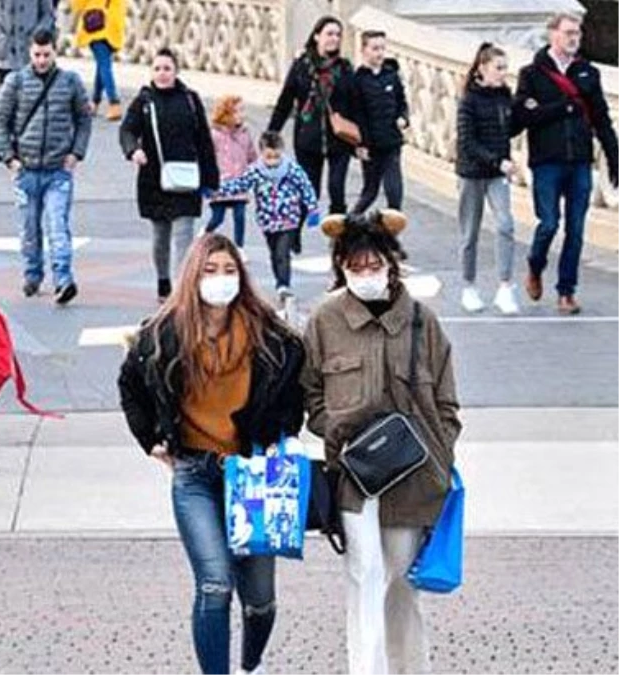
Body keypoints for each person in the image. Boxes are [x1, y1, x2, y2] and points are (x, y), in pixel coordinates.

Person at [118, 233, 304, 675]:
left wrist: (283, 436)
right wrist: (151, 440)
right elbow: (131, 386)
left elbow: (292, 393)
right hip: (195, 474)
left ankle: (250, 665)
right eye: (210, 271)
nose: (221, 280)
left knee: (259, 601)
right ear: (192, 277)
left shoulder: (272, 338)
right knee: (215, 583)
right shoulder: (162, 335)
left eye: (229, 270)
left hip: (253, 472)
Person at [301, 208, 460, 675]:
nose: (366, 274)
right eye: (355, 267)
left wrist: (441, 448)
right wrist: (332, 428)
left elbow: (447, 398)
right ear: (341, 268)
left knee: (402, 581)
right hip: (354, 474)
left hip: (414, 473)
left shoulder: (421, 321)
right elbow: (310, 390)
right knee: (363, 574)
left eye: (375, 265)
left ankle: (409, 668)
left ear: (392, 263)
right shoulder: (325, 320)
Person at [515, 12, 619, 315]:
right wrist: (563, 108)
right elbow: (523, 117)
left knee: (576, 229)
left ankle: (566, 292)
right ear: (553, 35)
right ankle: (535, 266)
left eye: (578, 33)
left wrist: (614, 158)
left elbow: (601, 118)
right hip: (547, 161)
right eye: (569, 33)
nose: (575, 38)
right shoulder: (531, 74)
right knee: (548, 224)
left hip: (579, 162)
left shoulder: (587, 72)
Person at [0, 28, 92, 305]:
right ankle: (32, 274)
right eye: (37, 55)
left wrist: (76, 152)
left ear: (54, 52)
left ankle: (63, 279)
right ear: (29, 52)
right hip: (25, 168)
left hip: (58, 168)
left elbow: (84, 119)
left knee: (57, 225)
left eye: (46, 54)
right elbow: (0, 120)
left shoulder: (70, 82)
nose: (41, 60)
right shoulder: (16, 82)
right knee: (29, 229)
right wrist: (9, 157)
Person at [119, 48, 220, 303]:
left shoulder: (190, 100)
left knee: (183, 234)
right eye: (157, 69)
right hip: (154, 178)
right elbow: (127, 130)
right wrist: (134, 151)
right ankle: (163, 280)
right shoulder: (144, 102)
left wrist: (211, 180)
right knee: (160, 237)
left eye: (167, 68)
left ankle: (182, 289)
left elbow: (204, 140)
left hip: (186, 178)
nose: (162, 74)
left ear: (176, 71)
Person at [214, 132, 319, 322]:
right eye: (268, 156)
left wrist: (312, 209)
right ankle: (280, 280)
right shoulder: (255, 171)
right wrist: (216, 190)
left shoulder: (291, 169)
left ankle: (284, 285)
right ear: (262, 153)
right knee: (273, 251)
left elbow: (306, 186)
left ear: (282, 152)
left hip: (288, 218)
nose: (273, 161)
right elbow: (240, 185)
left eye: (276, 156)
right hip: (268, 219)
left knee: (282, 252)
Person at [457, 43, 521, 315]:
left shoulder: (505, 95)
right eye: (499, 68)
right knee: (470, 232)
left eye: (505, 68)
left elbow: (512, 126)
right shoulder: (469, 99)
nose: (503, 73)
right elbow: (467, 141)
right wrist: (498, 161)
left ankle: (505, 286)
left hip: (498, 175)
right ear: (482, 68)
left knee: (505, 224)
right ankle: (468, 286)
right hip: (472, 173)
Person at [269, 16, 355, 218]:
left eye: (337, 35)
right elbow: (285, 101)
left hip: (339, 138)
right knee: (310, 192)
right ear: (317, 36)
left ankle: (339, 240)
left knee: (337, 191)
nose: (334, 39)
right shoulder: (302, 66)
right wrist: (272, 133)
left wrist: (362, 140)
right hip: (309, 138)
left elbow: (355, 104)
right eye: (329, 34)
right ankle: (293, 234)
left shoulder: (344, 68)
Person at [349, 31, 409, 215]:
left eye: (382, 48)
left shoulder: (391, 75)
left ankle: (390, 235)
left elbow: (402, 103)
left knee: (394, 193)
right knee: (370, 191)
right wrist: (360, 145)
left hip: (391, 142)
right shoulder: (358, 80)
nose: (380, 53)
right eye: (375, 49)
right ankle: (349, 224)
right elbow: (356, 115)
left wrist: (403, 119)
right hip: (371, 145)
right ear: (364, 50)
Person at [207, 95, 258, 247]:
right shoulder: (215, 135)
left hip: (240, 182)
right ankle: (205, 234)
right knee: (218, 217)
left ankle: (239, 247)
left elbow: (252, 155)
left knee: (240, 216)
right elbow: (207, 157)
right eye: (238, 111)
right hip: (221, 183)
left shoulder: (244, 133)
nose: (242, 114)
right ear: (227, 114)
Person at [70, 0, 126, 121]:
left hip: (98, 26)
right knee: (102, 65)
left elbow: (78, 5)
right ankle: (95, 103)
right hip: (113, 27)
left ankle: (114, 103)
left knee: (104, 66)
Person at [0, 0, 56, 84]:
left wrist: (36, 36)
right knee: (6, 92)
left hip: (31, 53)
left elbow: (48, 14)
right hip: (5, 52)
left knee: (33, 92)